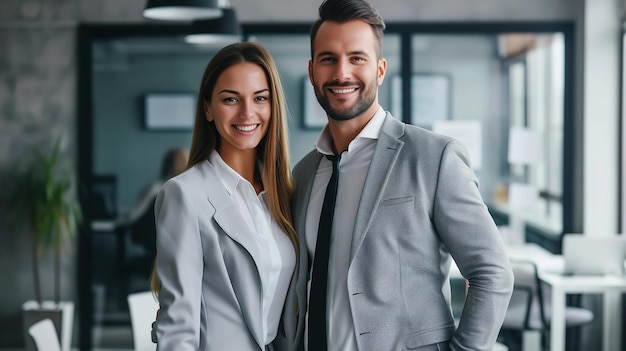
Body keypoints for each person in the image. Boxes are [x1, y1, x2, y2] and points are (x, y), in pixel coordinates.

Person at [285, 0, 515, 350]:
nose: (341, 73)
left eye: (357, 58)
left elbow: (492, 273)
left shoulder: (434, 157)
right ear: (312, 70)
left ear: (379, 70)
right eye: (328, 59)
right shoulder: (303, 174)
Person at [151, 42, 298, 351]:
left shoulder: (284, 194)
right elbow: (178, 328)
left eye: (260, 98)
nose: (247, 112)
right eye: (231, 99)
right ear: (208, 108)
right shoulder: (184, 195)